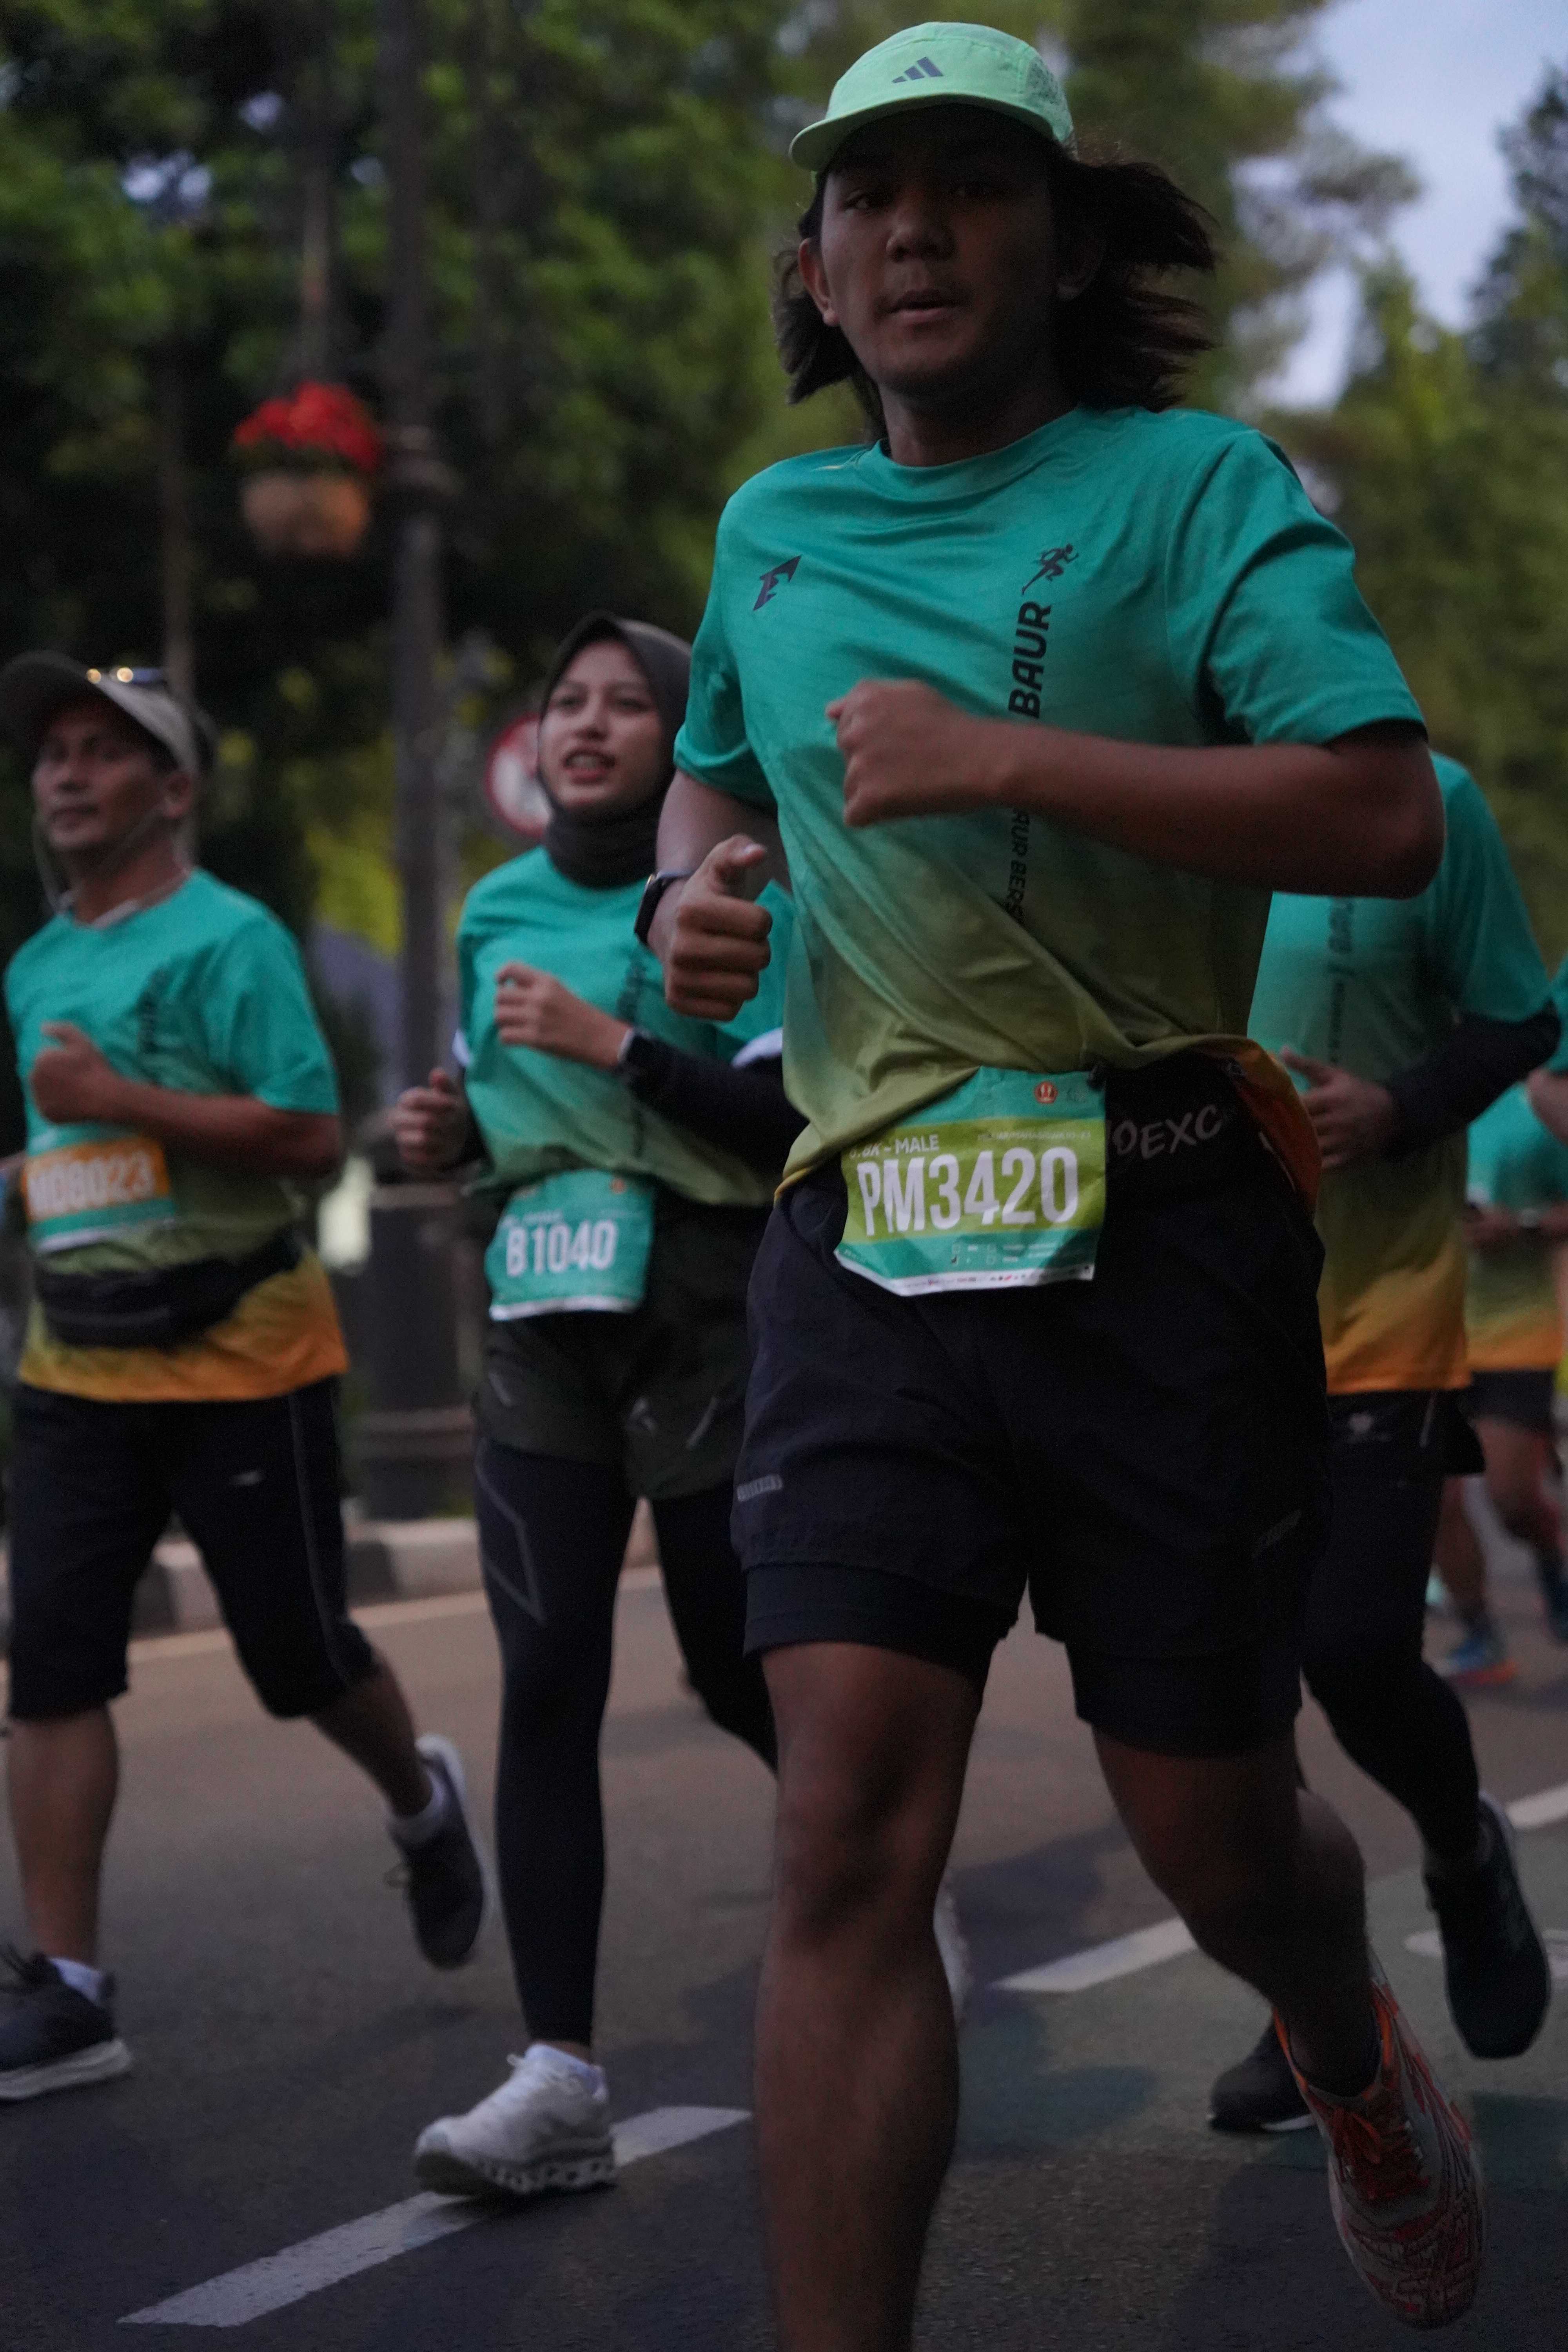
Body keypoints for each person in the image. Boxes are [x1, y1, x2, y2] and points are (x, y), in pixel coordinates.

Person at [647, 22, 1483, 2339]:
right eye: (868, 195)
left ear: (1064, 242)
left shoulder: (1191, 488)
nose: (914, 230)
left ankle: (1339, 2042)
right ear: (813, 269)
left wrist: (1003, 754)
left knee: (1210, 1825)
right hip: (868, 1224)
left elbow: (1376, 809)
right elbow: (714, 778)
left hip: (1167, 1211)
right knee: (841, 1827)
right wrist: (687, 895)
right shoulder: (770, 531)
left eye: (972, 187)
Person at [393, 613, 965, 2205]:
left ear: (677, 739)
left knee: (733, 1659)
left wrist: (617, 1046)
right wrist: (447, 1134)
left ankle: (884, 1867)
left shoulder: (732, 890)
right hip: (543, 1323)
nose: (583, 725)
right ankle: (558, 2079)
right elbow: (493, 1111)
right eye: (562, 702)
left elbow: (788, 1119)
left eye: (622, 704)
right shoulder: (493, 908)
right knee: (547, 1677)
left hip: (713, 1312)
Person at [0, 657, 485, 2105]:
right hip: (77, 1360)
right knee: (52, 1663)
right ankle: (72, 1989)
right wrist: (30, 1174)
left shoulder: (235, 939)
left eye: (105, 750)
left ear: (176, 789)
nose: (68, 772)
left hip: (241, 1355)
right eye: (54, 751)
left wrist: (112, 1101)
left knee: (299, 1657)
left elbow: (306, 1138)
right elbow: (78, 1155)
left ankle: (421, 1800)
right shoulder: (35, 965)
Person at [1212, 757, 1557, 2134]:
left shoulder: (1426, 799)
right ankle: (1311, 2011)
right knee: (1228, 1696)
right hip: (1190, 1322)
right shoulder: (1128, 786)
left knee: (1354, 1649)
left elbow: (1521, 1023)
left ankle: (1464, 1853)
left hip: (1377, 1310)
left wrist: (1399, 1106)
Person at [1431, 1074, 1568, 1684]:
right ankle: (1482, 1634)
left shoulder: (1537, 1108)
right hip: (1426, 1336)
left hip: (1516, 1333)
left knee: (1511, 1499)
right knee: (1434, 1504)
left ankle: (1549, 1555)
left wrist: (1524, 1225)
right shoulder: (1419, 1105)